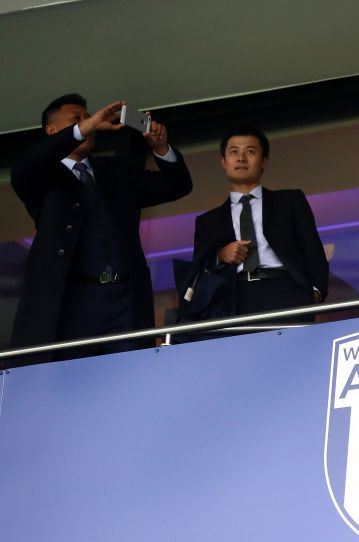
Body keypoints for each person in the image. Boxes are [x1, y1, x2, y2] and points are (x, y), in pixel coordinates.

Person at [9, 94, 193, 361]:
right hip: (74, 299)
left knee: (130, 379)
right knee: (73, 384)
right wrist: (83, 128)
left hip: (123, 297)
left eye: (89, 117)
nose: (90, 123)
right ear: (52, 130)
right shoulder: (41, 176)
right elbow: (25, 167)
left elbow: (177, 187)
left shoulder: (114, 171)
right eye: (78, 119)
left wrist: (161, 148)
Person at [192, 125, 328, 322]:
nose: (241, 158)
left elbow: (313, 251)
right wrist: (220, 255)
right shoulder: (207, 221)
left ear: (264, 161)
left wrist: (314, 293)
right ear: (223, 162)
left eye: (250, 151)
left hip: (285, 291)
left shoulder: (290, 201)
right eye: (234, 152)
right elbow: (198, 271)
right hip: (232, 299)